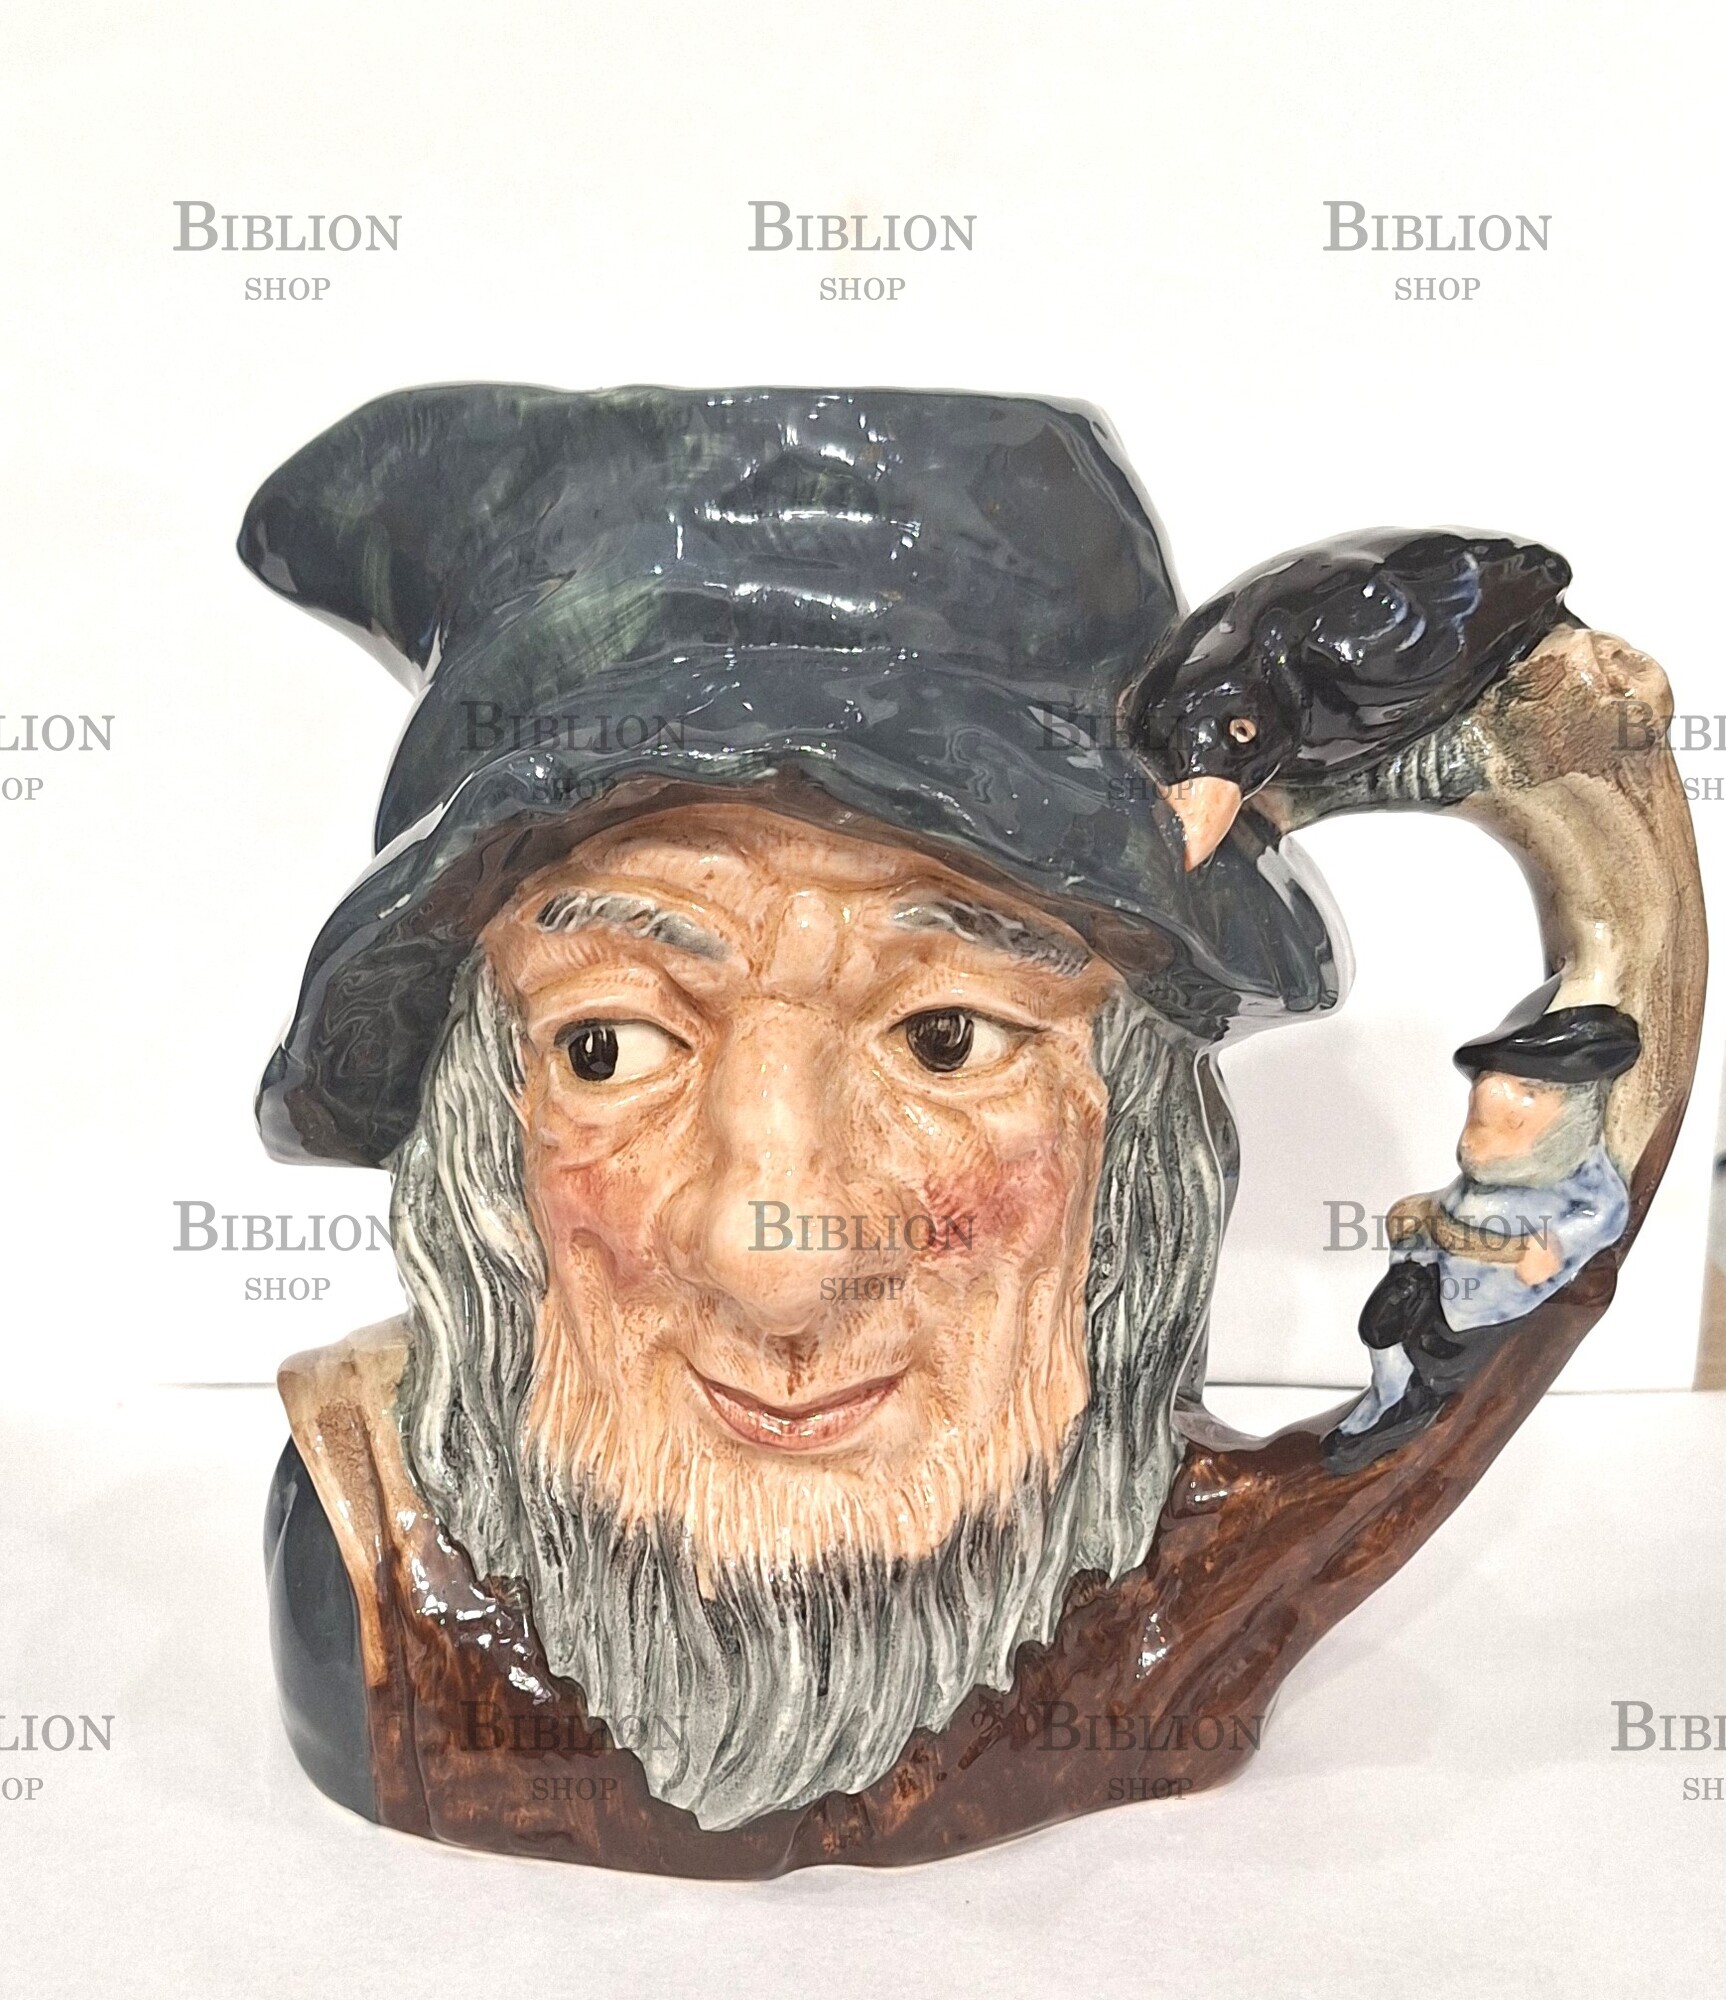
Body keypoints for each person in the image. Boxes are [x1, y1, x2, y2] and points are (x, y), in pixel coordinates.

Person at [1328, 1002, 1638, 1470]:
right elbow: (1460, 1198)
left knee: (1438, 1353)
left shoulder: (1581, 1172)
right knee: (1380, 1323)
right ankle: (1387, 1396)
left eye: (1524, 1100)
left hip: (1489, 1297)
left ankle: (1411, 1411)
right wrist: (1424, 1209)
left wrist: (1558, 1244)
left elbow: (1607, 1212)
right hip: (1437, 1263)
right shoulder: (1495, 1167)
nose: (1479, 1141)